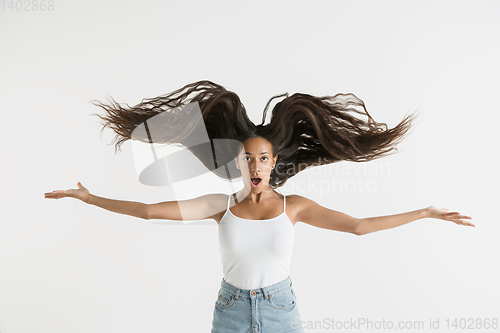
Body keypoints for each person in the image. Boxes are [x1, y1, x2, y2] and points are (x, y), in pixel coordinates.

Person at [44, 80, 474, 333]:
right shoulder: (220, 204)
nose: (255, 165)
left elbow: (358, 226)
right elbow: (149, 211)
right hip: (229, 311)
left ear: (274, 163)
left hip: (280, 310)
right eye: (247, 157)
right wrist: (89, 198)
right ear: (237, 160)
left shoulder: (295, 206)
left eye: (263, 158)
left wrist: (424, 213)